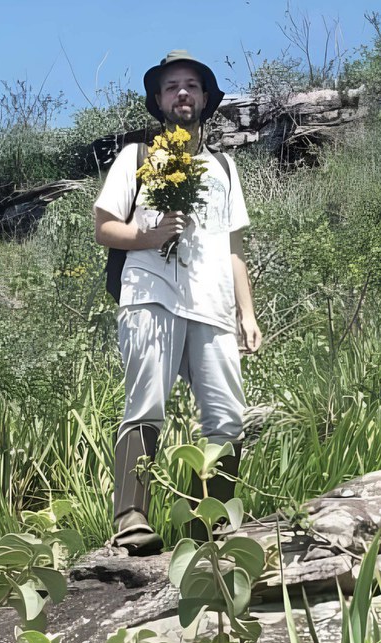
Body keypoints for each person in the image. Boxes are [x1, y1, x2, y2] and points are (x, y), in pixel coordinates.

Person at [92, 50, 262, 555]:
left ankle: (206, 528)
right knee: (145, 403)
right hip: (150, 295)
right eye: (171, 87)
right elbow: (104, 228)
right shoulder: (137, 157)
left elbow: (233, 248)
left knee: (227, 415)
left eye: (191, 85)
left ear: (205, 99)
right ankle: (131, 518)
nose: (182, 93)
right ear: (159, 100)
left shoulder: (224, 167)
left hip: (212, 302)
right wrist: (149, 236)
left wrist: (247, 312)